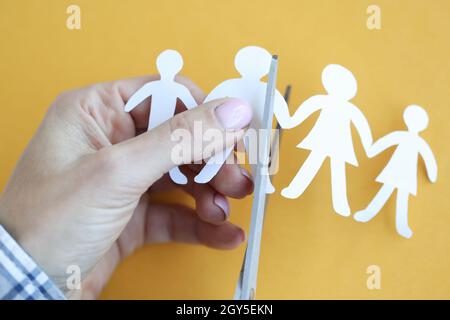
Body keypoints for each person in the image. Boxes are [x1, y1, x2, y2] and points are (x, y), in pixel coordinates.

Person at [0, 75, 254, 299]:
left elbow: (183, 101)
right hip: (168, 132)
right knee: (206, 162)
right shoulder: (221, 88)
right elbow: (156, 101)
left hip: (180, 135)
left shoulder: (193, 91)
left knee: (217, 159)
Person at [193, 46, 293, 193]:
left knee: (255, 156)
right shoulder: (251, 87)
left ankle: (264, 183)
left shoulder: (262, 88)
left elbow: (208, 101)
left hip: (249, 128)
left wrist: (286, 121)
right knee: (225, 150)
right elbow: (208, 103)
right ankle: (207, 173)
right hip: (232, 127)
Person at [281, 64, 373, 216]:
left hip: (335, 142)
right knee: (321, 167)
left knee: (331, 169)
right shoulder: (326, 102)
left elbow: (362, 126)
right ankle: (296, 190)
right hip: (325, 140)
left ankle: (339, 203)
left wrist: (370, 147)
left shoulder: (334, 104)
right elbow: (300, 115)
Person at [353, 105, 438, 238]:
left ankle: (400, 224)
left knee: (399, 196)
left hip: (405, 173)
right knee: (389, 193)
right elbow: (387, 142)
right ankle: (370, 213)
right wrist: (372, 150)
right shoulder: (408, 138)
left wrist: (432, 174)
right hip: (396, 170)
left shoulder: (415, 141)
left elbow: (428, 158)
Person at [124, 50, 198, 185]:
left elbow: (193, 105)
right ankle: (146, 174)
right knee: (160, 149)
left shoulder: (176, 88)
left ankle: (173, 172)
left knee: (167, 150)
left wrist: (128, 107)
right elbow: (194, 107)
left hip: (165, 125)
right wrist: (128, 107)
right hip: (154, 126)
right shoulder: (175, 88)